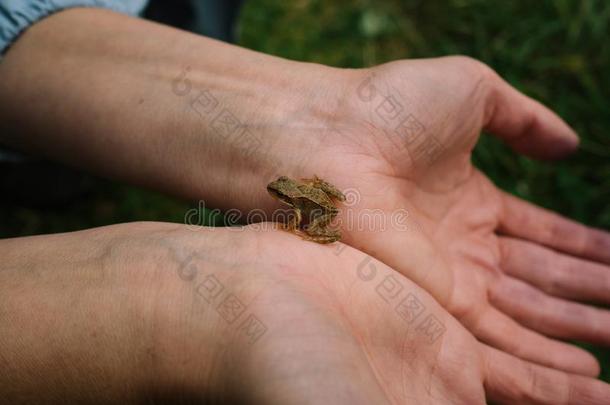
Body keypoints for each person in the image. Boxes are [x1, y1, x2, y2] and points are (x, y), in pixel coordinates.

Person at [0, 3, 609, 404]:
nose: (276, 193)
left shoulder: (306, 201)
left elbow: (319, 205)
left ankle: (40, 153)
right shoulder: (289, 195)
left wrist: (310, 128)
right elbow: (299, 197)